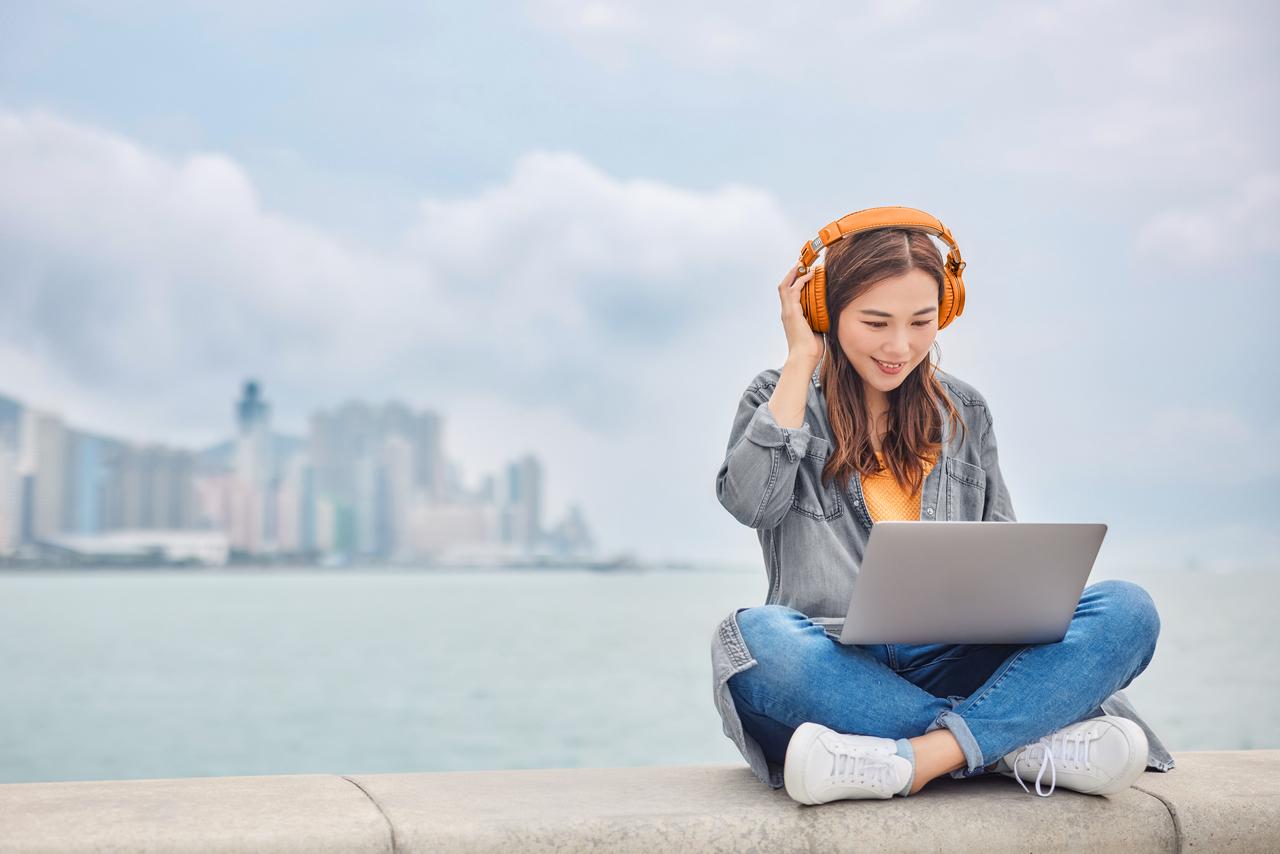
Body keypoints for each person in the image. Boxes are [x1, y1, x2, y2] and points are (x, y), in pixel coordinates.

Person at [709, 209, 1175, 805]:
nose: (899, 346)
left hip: (956, 657)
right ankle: (1012, 748)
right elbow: (751, 503)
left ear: (945, 313)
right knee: (755, 641)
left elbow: (1005, 558)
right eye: (875, 322)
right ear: (827, 311)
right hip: (836, 667)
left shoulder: (966, 412)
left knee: (1129, 610)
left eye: (920, 322)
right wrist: (801, 358)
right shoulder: (780, 395)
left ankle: (915, 758)